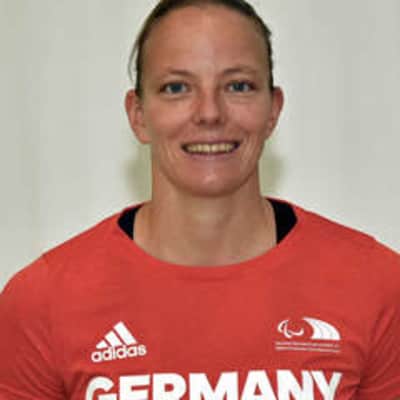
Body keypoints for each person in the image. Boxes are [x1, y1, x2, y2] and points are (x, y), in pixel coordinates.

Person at [0, 0, 399, 399]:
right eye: (176, 88)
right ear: (138, 115)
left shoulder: (376, 285)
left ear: (273, 110)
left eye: (238, 86)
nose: (209, 113)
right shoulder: (44, 302)